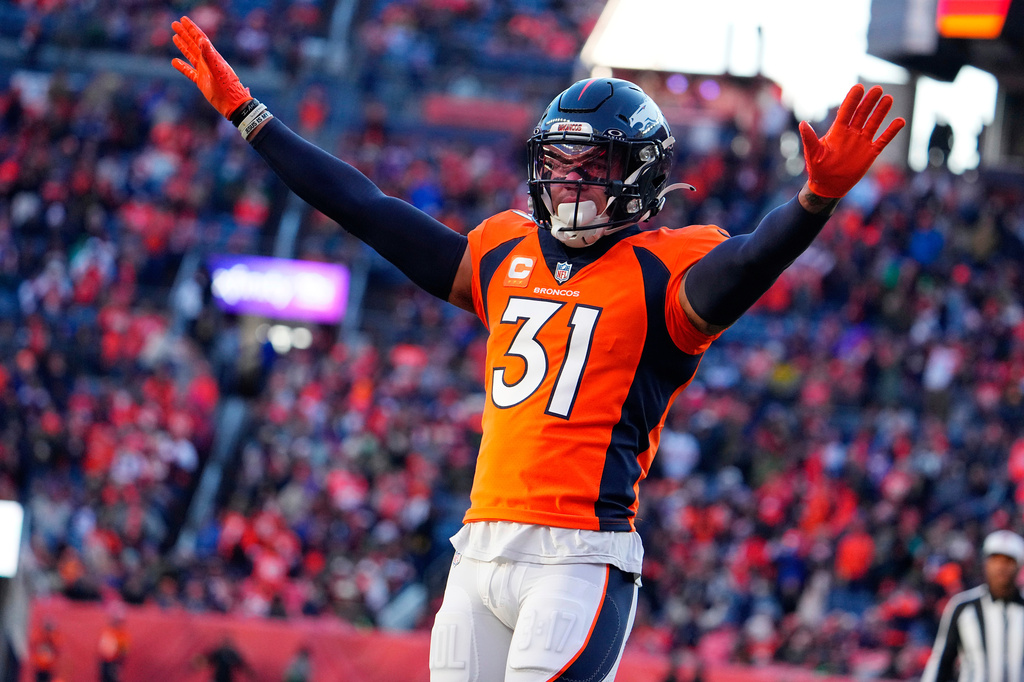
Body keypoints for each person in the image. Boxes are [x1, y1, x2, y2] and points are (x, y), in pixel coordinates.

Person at [171, 15, 905, 681]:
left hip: (579, 555)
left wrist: (813, 203)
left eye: (593, 165)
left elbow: (747, 263)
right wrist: (252, 116)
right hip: (478, 548)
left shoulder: (666, 270)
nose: (569, 179)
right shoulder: (502, 250)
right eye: (560, 159)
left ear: (640, 174)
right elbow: (367, 209)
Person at [922, 530, 1024, 682]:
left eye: (1008, 561)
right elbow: (942, 661)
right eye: (995, 560)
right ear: (985, 563)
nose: (1000, 567)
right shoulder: (963, 606)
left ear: (1018, 566)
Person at [97, 606, 130, 682]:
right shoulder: (107, 631)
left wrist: (119, 657)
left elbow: (124, 651)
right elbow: (103, 648)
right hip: (105, 661)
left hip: (114, 662)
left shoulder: (122, 635)